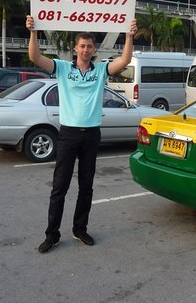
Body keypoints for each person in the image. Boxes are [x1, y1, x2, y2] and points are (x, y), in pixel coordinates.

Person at [26, 15, 137, 254]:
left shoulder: (101, 70)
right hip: (68, 134)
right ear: (75, 48)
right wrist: (33, 32)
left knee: (86, 187)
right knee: (59, 187)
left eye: (89, 46)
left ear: (94, 49)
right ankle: (52, 235)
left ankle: (80, 229)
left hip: (92, 135)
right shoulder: (62, 68)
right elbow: (35, 57)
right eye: (82, 46)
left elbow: (125, 59)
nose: (86, 50)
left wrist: (129, 36)